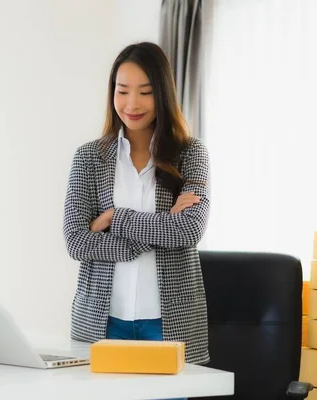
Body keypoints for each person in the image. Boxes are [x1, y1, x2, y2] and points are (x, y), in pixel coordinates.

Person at [62, 41, 211, 379]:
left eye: (145, 92)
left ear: (162, 94)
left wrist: (114, 218)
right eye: (123, 91)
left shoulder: (191, 155)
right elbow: (76, 241)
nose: (131, 104)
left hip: (170, 325)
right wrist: (163, 225)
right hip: (102, 321)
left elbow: (188, 230)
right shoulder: (88, 158)